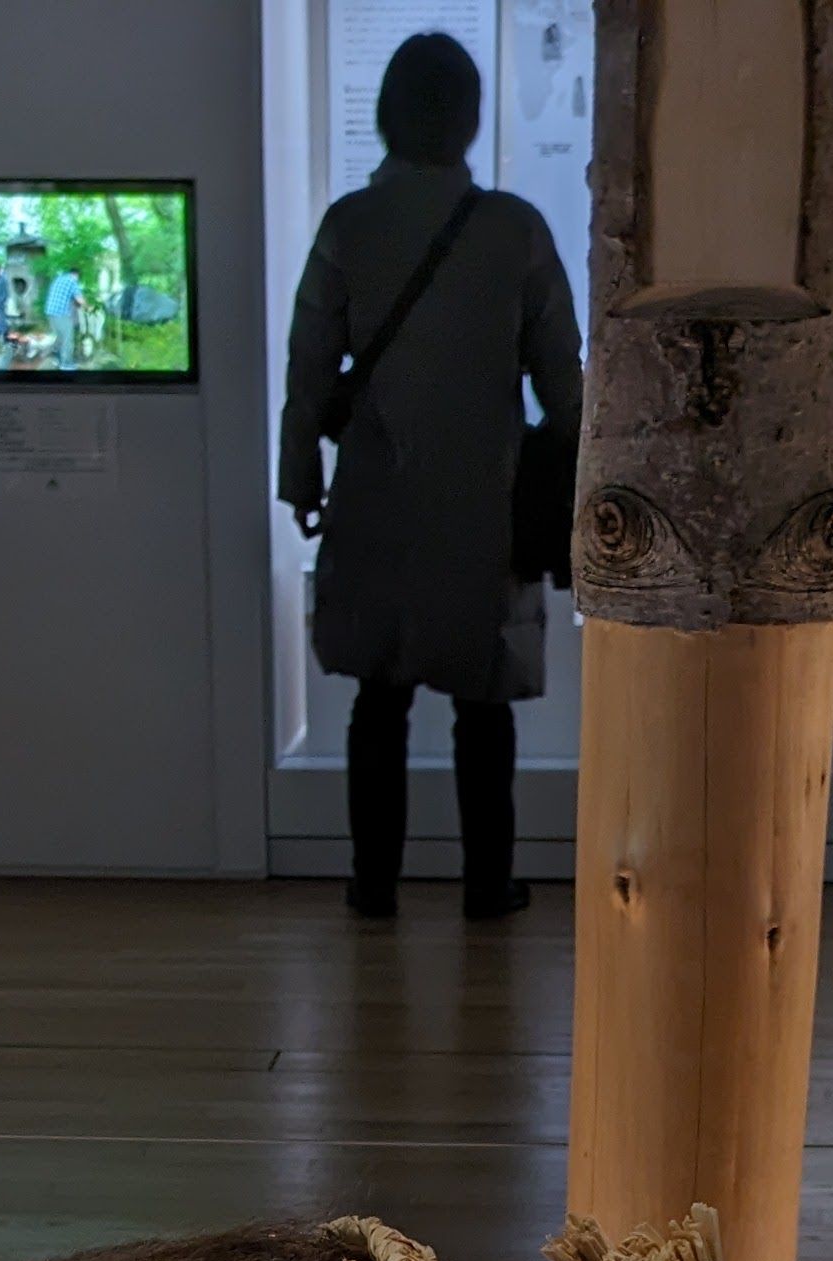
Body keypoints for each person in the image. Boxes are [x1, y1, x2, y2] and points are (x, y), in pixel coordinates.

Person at [277, 31, 579, 918]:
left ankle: (374, 885)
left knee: (381, 698)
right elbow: (564, 384)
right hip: (483, 505)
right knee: (483, 707)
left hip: (375, 495)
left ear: (385, 118)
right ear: (472, 120)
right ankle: (488, 883)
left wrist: (300, 478)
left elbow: (307, 373)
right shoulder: (515, 230)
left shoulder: (347, 227)